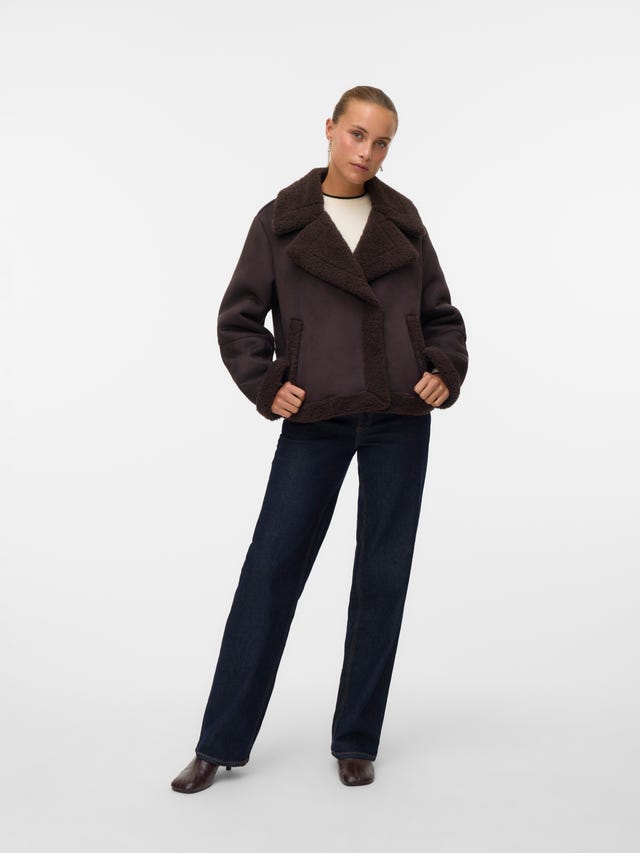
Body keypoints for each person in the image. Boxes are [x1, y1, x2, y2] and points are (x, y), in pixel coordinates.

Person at [171, 85, 468, 792]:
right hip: (317, 416)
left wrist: (443, 369)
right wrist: (267, 382)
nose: (367, 151)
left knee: (382, 575)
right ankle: (219, 743)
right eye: (357, 134)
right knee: (271, 570)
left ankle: (356, 738)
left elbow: (441, 316)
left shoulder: (404, 220)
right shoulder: (282, 220)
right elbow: (239, 319)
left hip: (399, 414)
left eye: (382, 141)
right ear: (330, 129)